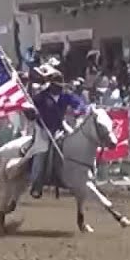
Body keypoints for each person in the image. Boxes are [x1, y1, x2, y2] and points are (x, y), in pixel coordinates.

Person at [27, 66, 87, 199]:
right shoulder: (41, 97)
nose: (58, 88)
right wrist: (32, 113)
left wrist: (78, 110)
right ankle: (36, 183)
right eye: (56, 85)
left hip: (60, 127)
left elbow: (80, 103)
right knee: (41, 152)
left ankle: (72, 179)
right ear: (51, 85)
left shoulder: (65, 95)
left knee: (74, 145)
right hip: (43, 128)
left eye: (60, 85)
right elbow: (29, 108)